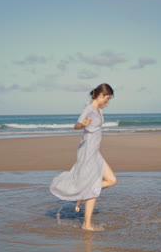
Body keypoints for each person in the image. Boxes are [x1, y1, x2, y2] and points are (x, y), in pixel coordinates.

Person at [50, 83, 117, 231]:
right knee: (93, 188)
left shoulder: (98, 109)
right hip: (87, 152)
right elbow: (77, 125)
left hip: (95, 151)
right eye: (107, 98)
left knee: (112, 180)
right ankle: (87, 224)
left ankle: (83, 193)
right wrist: (82, 125)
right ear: (100, 95)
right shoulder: (89, 109)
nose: (108, 102)